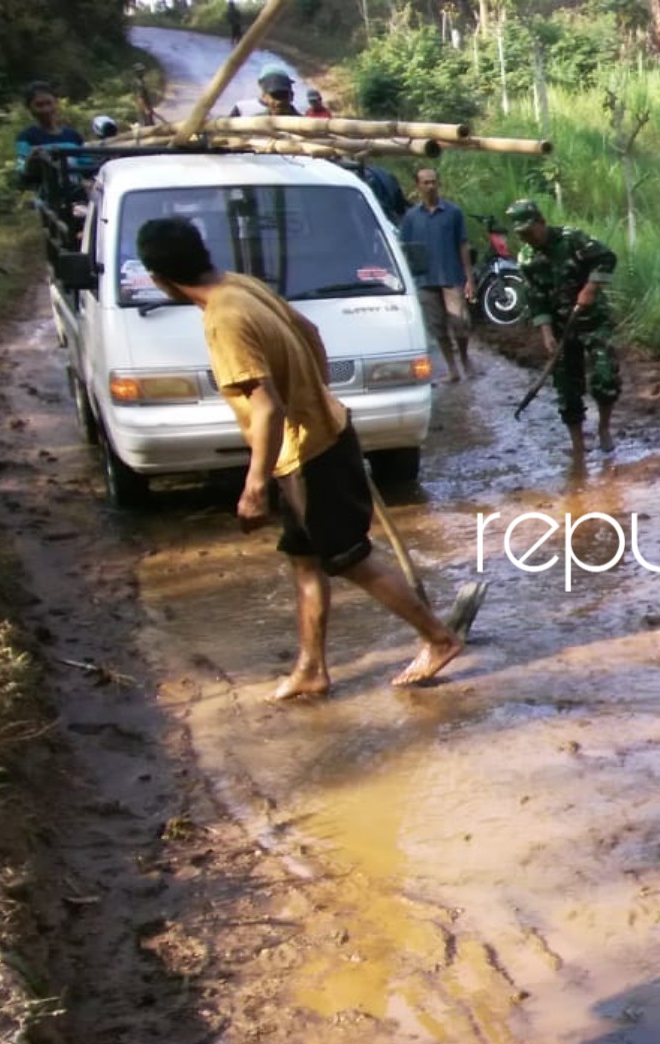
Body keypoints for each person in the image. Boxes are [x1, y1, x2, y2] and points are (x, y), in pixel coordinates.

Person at [133, 216, 465, 700]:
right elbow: (309, 331)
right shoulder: (238, 285)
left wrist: (253, 486)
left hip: (309, 454)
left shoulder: (223, 320)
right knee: (305, 560)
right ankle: (311, 667)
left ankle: (439, 638)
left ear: (160, 280)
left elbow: (267, 407)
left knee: (352, 560)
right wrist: (317, 392)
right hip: (313, 440)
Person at [508, 198, 620, 461]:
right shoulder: (527, 257)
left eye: (529, 231)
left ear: (541, 222)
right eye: (521, 234)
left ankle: (603, 428)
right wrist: (546, 334)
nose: (527, 238)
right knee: (567, 388)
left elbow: (607, 258)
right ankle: (579, 447)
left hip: (592, 320)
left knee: (605, 378)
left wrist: (590, 288)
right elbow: (536, 298)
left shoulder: (572, 239)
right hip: (560, 328)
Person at [400, 168, 476, 382]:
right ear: (418, 186)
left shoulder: (453, 212)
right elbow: (406, 249)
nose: (430, 186)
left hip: (452, 276)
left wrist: (469, 278)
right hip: (425, 280)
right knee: (437, 326)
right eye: (426, 182)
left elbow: (463, 245)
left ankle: (464, 357)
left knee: (460, 323)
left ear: (438, 184)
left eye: (433, 182)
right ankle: (451, 367)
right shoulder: (411, 217)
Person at [15, 81, 84, 177]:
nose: (46, 110)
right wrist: (32, 159)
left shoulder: (73, 135)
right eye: (39, 105)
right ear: (29, 108)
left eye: (49, 103)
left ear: (56, 103)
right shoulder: (27, 137)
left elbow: (87, 165)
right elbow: (22, 172)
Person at [231, 64, 299, 118]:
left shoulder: (304, 123)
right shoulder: (254, 123)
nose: (279, 102)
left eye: (283, 95)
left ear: (292, 96)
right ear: (264, 97)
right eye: (275, 95)